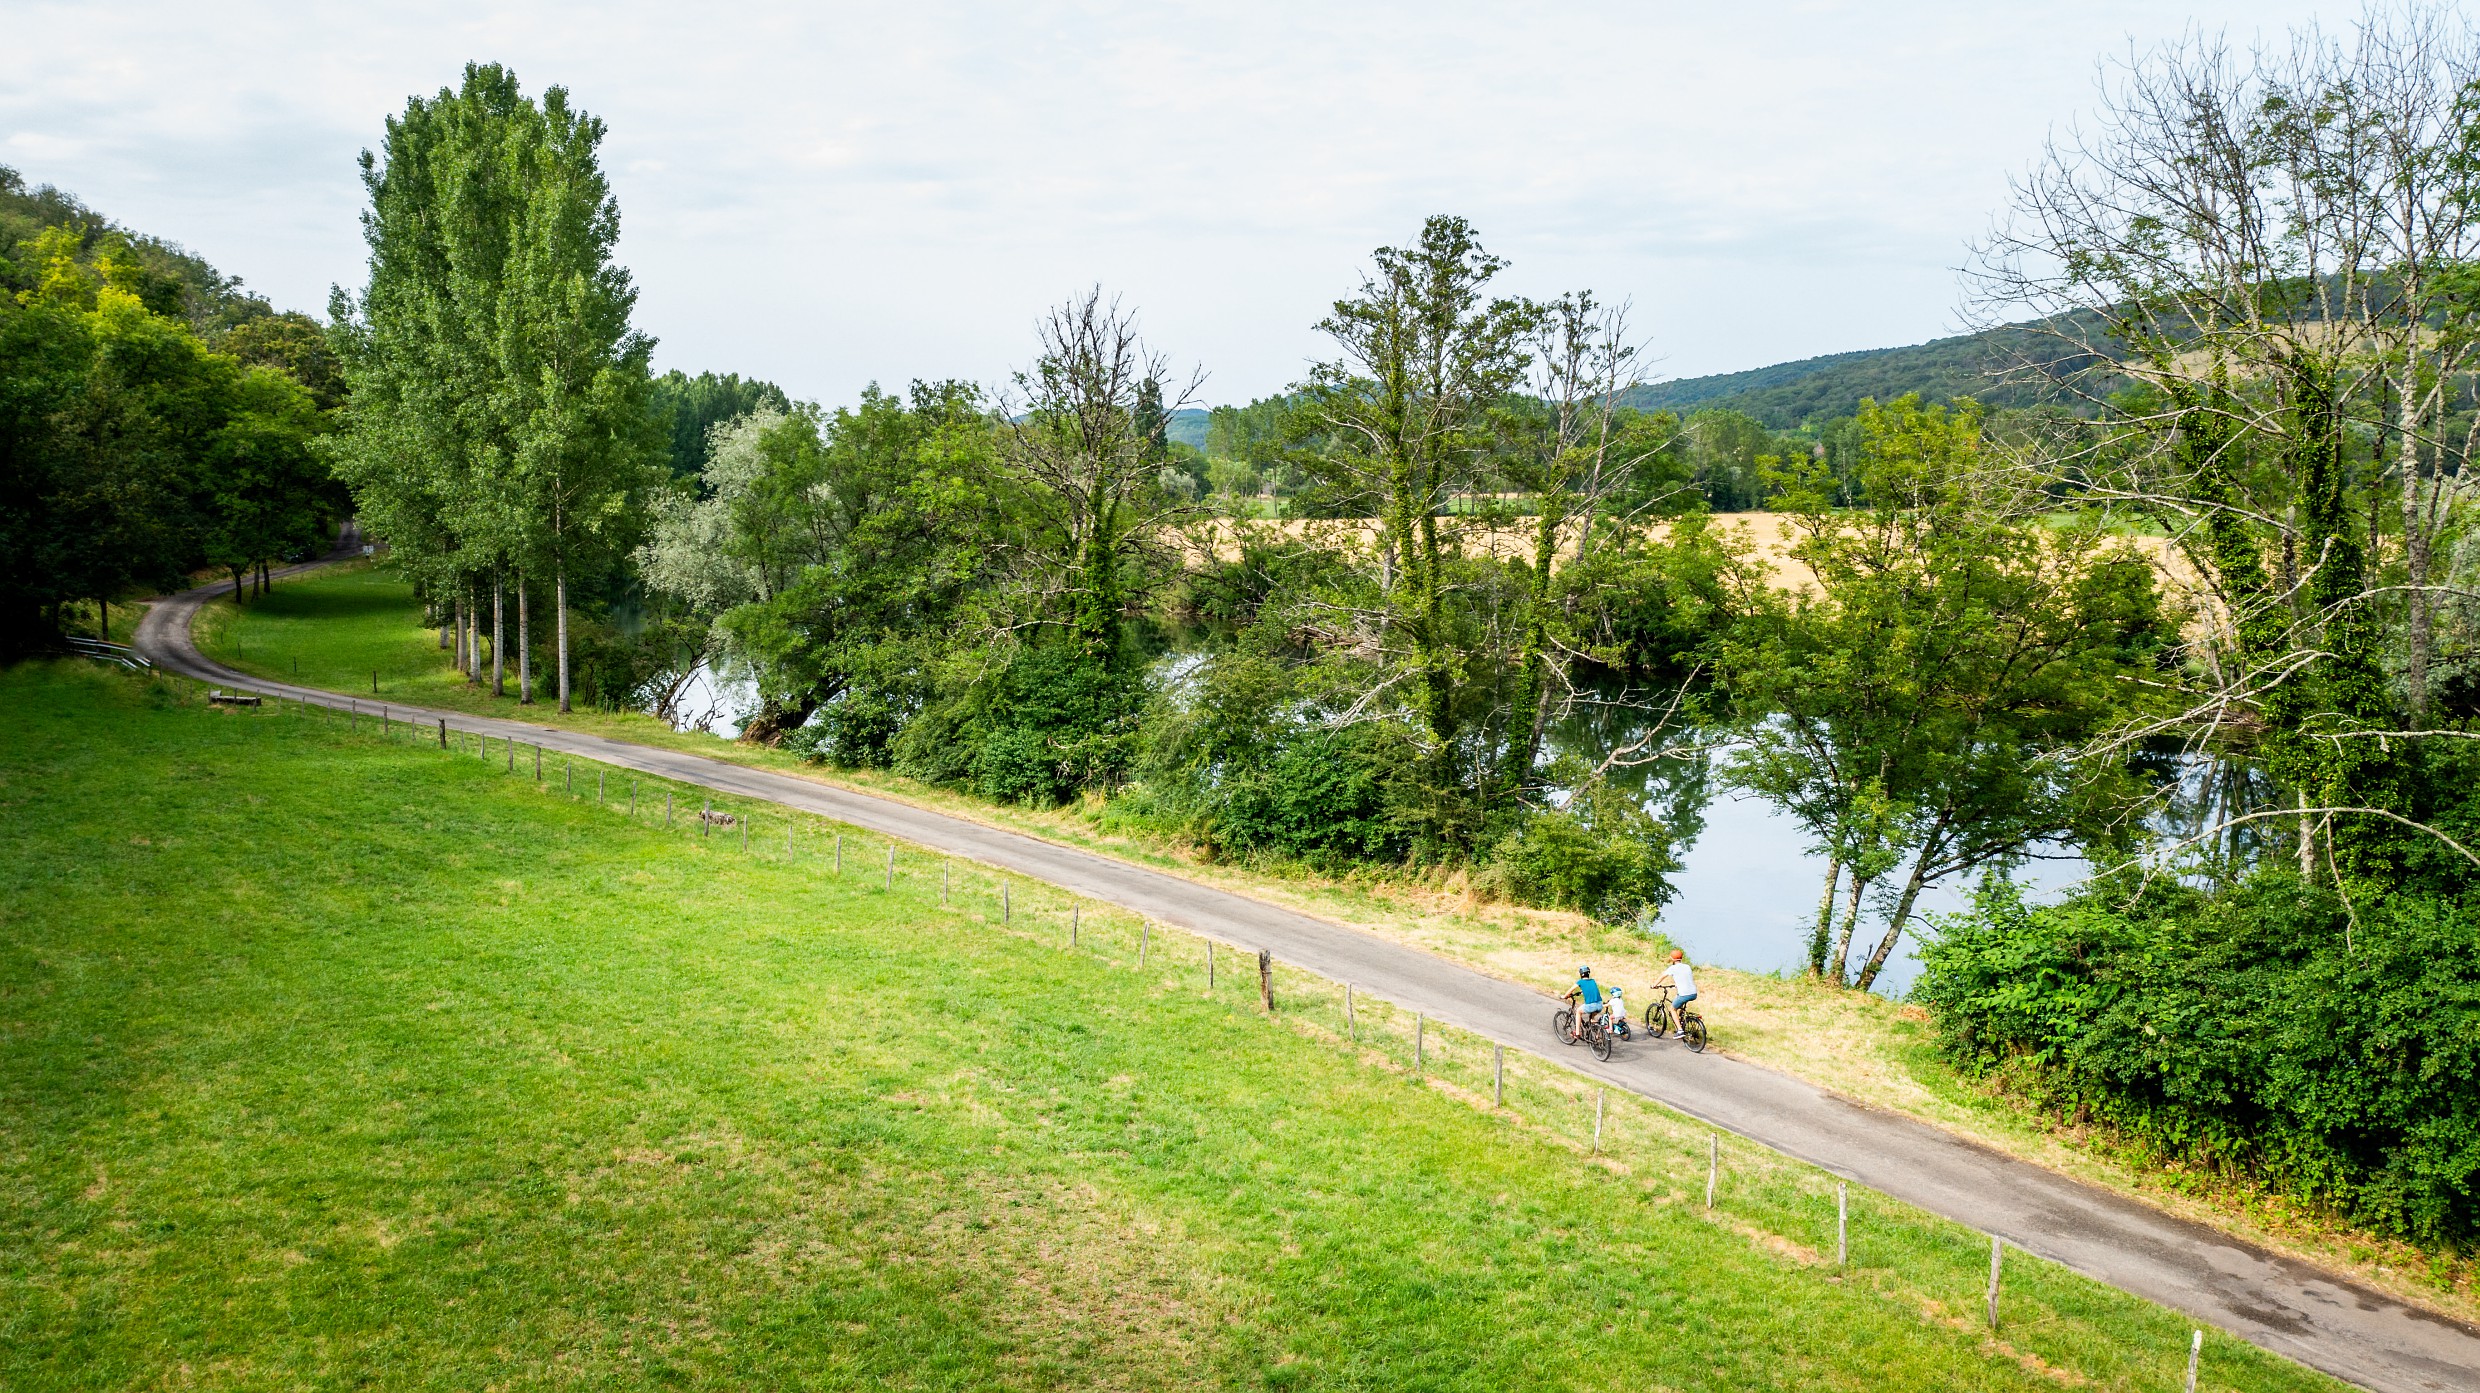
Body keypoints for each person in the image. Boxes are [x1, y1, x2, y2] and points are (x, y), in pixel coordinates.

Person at [1655, 949, 1698, 1037]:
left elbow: (1662, 976)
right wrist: (1676, 985)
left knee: (1672, 1009)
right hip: (1693, 993)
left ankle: (1680, 1030)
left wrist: (1654, 985)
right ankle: (1683, 1021)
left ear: (1672, 959)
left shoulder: (1673, 968)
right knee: (1679, 1006)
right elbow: (1684, 977)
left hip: (1684, 994)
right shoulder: (1687, 966)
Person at [1564, 965, 1608, 1042]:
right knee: (1592, 1018)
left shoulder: (1580, 982)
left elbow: (1570, 990)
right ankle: (1596, 1029)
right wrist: (1582, 991)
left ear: (1581, 974)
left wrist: (1564, 996)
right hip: (1600, 1005)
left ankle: (1577, 1033)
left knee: (1578, 1011)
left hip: (1591, 1006)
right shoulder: (1593, 981)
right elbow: (1591, 989)